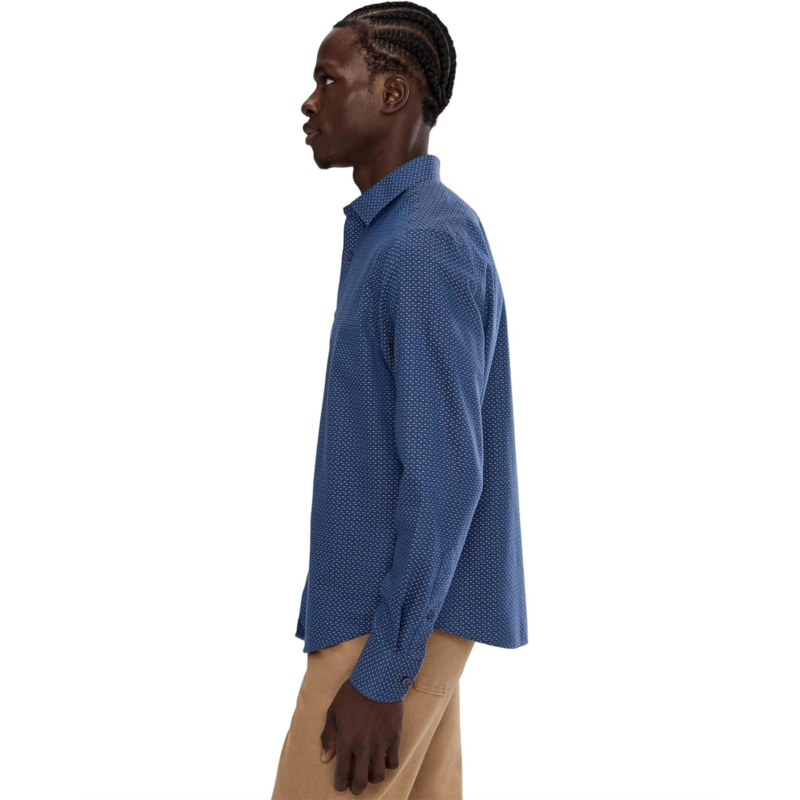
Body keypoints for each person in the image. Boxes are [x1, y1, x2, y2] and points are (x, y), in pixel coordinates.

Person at [272, 3, 528, 797]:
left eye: (328, 80)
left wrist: (383, 672)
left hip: (384, 628)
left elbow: (448, 475)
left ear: (392, 94)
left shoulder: (421, 245)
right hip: (402, 616)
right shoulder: (398, 233)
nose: (308, 102)